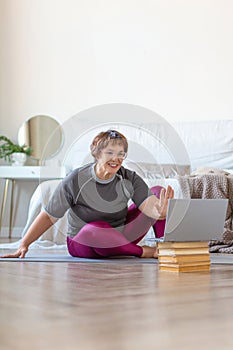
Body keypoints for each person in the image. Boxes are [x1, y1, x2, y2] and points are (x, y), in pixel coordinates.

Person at [2, 129, 174, 260]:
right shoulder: (76, 179)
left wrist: (160, 211)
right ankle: (147, 252)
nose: (117, 159)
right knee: (96, 229)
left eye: (121, 154)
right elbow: (48, 216)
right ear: (97, 153)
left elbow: (149, 207)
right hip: (84, 242)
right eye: (110, 153)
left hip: (120, 236)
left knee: (158, 192)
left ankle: (165, 249)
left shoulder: (129, 177)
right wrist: (24, 244)